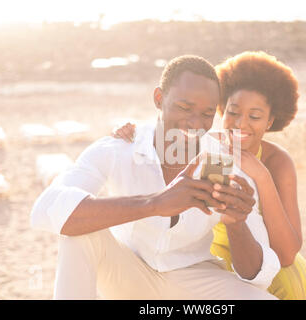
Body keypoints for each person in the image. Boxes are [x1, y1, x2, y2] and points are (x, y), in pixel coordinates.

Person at [30, 55, 281, 300]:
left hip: (195, 280)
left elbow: (257, 275)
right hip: (128, 273)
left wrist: (236, 224)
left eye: (206, 114)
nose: (195, 122)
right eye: (184, 107)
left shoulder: (221, 162)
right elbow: (45, 209)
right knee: (77, 228)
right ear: (159, 99)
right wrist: (154, 204)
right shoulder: (120, 148)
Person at [113, 51, 306, 300]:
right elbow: (168, 128)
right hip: (214, 262)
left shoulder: (277, 162)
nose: (240, 124)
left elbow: (286, 255)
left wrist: (262, 177)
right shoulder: (208, 148)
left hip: (273, 269)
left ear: (270, 120)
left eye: (254, 116)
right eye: (233, 112)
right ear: (221, 109)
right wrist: (135, 130)